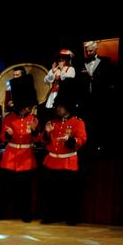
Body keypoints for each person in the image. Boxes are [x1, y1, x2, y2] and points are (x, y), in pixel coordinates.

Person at [38, 83, 88, 225]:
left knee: (69, 193)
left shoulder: (77, 122)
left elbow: (82, 139)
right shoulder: (52, 122)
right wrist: (47, 132)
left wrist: (70, 140)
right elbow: (43, 140)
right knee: (51, 193)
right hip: (52, 161)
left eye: (61, 106)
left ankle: (71, 217)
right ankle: (50, 216)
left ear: (67, 107)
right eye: (57, 106)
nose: (58, 109)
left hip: (67, 162)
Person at [0, 74, 40, 221]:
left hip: (26, 156)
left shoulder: (33, 119)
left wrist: (34, 131)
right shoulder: (9, 118)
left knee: (25, 189)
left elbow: (38, 139)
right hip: (10, 156)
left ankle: (25, 214)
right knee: (4, 188)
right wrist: (8, 135)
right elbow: (2, 138)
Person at [42, 49, 76, 117]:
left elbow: (67, 81)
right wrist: (52, 71)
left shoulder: (70, 69)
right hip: (53, 93)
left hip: (64, 94)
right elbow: (46, 80)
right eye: (59, 59)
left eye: (62, 59)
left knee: (62, 112)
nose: (60, 61)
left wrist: (62, 70)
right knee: (52, 112)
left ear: (67, 60)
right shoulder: (56, 69)